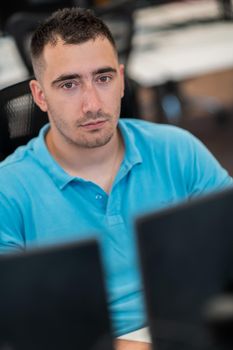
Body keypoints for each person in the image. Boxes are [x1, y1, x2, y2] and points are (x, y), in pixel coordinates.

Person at [0, 7, 232, 350]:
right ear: (39, 95)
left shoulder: (177, 150)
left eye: (104, 78)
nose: (92, 104)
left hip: (192, 329)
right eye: (69, 84)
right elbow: (19, 328)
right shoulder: (9, 191)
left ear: (122, 80)